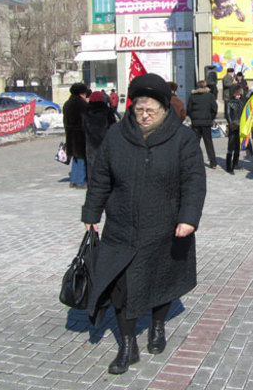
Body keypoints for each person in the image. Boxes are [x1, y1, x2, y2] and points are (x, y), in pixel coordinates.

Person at [82, 73, 206, 375]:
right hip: (122, 226)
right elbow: (101, 176)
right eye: (139, 109)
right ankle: (128, 346)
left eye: (151, 110)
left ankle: (158, 325)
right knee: (120, 286)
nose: (144, 115)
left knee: (160, 279)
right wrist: (91, 214)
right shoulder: (116, 135)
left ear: (164, 108)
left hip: (165, 226)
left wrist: (188, 218)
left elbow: (194, 182)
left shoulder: (183, 139)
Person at [82, 91, 116, 183]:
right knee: (106, 165)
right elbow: (113, 127)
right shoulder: (107, 111)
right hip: (106, 143)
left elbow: (83, 128)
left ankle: (92, 183)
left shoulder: (86, 112)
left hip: (91, 144)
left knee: (92, 165)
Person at [187, 80, 218, 168]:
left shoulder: (192, 96)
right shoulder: (210, 96)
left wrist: (193, 118)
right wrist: (211, 118)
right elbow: (214, 108)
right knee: (208, 143)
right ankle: (213, 162)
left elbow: (189, 110)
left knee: (195, 143)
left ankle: (193, 162)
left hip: (196, 123)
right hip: (206, 122)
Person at [63, 83, 89, 189]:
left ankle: (73, 179)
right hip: (80, 134)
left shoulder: (67, 103)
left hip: (70, 134)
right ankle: (80, 181)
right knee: (82, 157)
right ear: (81, 93)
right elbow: (86, 120)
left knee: (75, 157)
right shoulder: (81, 104)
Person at [225, 85, 245, 173]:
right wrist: (231, 124)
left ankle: (235, 163)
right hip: (233, 126)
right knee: (230, 146)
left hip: (240, 126)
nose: (238, 96)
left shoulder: (241, 103)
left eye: (240, 95)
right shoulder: (229, 103)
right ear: (234, 94)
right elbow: (228, 114)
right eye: (237, 94)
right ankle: (228, 165)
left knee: (237, 146)